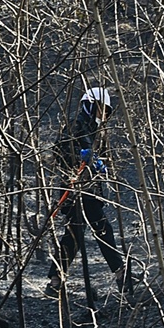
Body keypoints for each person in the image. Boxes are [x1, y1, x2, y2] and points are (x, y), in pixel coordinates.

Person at [48, 86, 126, 296]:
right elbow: (59, 151)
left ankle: (56, 279)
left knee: (93, 231)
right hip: (75, 189)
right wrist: (79, 157)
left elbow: (103, 157)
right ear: (91, 105)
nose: (104, 115)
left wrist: (101, 165)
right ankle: (119, 274)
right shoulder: (75, 125)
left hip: (91, 189)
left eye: (106, 111)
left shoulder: (98, 132)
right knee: (79, 234)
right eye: (101, 109)